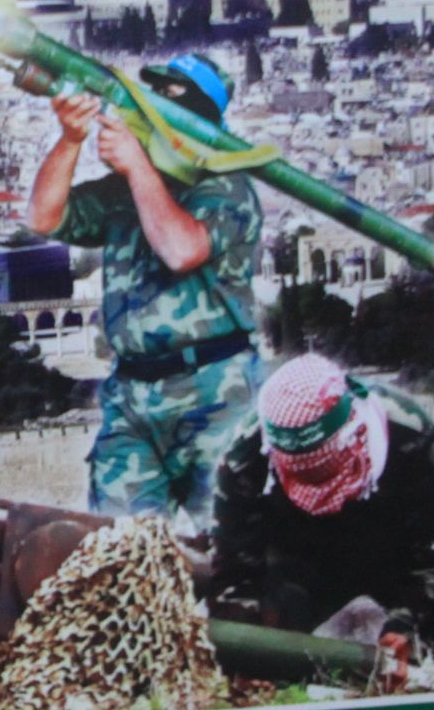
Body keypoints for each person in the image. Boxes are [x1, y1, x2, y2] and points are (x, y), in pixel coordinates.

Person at [25, 51, 263, 522]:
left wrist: (137, 167)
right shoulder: (123, 192)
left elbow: (182, 249)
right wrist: (71, 139)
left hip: (215, 392)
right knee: (119, 545)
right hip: (132, 395)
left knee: (230, 543)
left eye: (172, 96)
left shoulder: (227, 188)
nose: (156, 106)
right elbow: (43, 217)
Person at [210, 354, 434, 667]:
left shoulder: (411, 434)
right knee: (250, 656)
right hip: (303, 567)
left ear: (354, 432)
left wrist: (403, 624)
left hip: (398, 563)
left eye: (324, 471)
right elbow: (235, 574)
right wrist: (251, 652)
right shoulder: (243, 458)